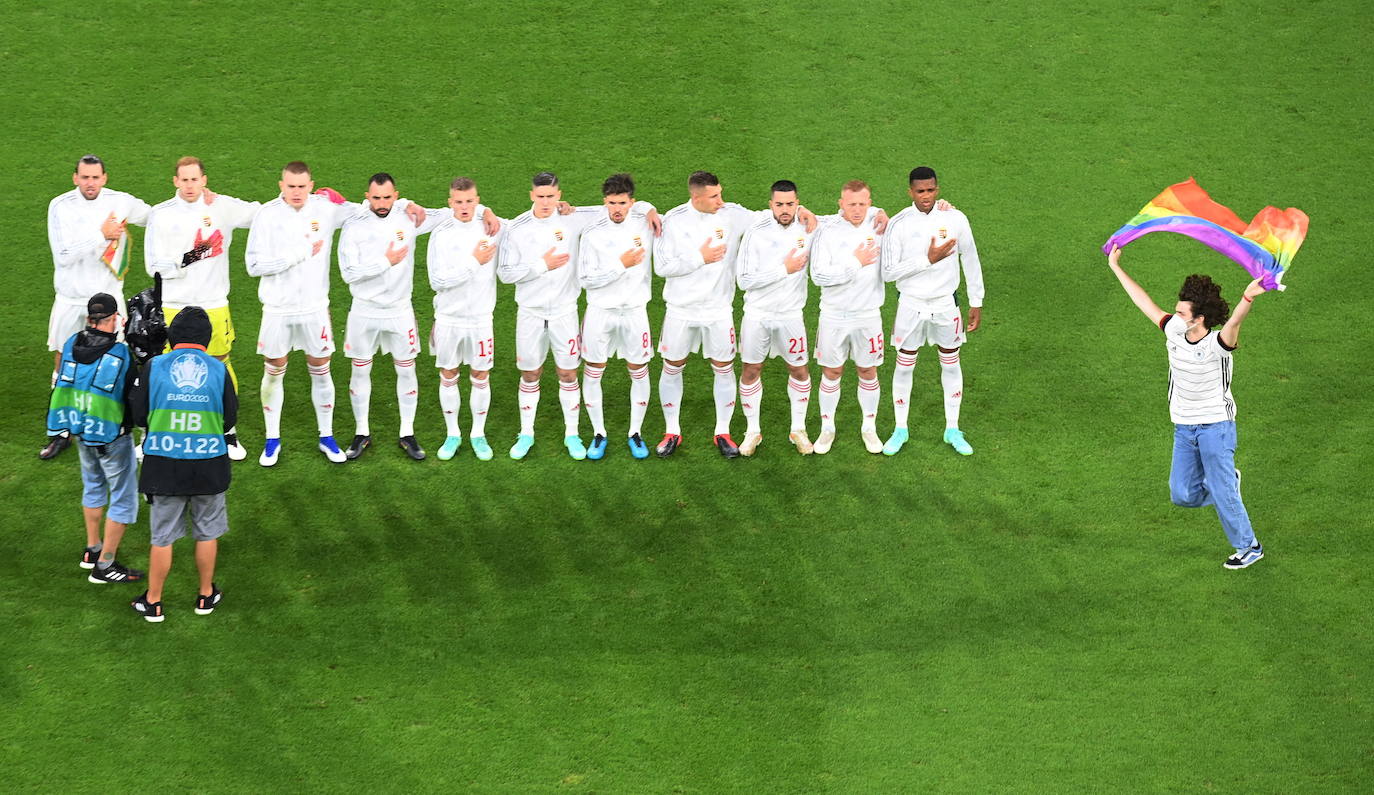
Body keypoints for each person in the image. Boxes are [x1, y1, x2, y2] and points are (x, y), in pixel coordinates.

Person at [245, 161, 421, 466]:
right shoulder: (267, 215)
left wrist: (405, 203)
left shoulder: (327, 209)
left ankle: (326, 437)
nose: (296, 192)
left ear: (312, 185)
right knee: (274, 369)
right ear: (281, 185)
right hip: (277, 308)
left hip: (315, 308)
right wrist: (297, 255)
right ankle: (272, 440)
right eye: (290, 186)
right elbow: (253, 266)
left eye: (302, 186)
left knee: (321, 368)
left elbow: (372, 207)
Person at [1107, 246, 1267, 569]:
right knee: (1182, 494)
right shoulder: (1173, 331)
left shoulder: (1217, 345)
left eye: (1181, 313)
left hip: (1216, 428)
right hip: (1184, 427)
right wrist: (1115, 266)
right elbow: (1143, 301)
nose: (1175, 316)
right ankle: (1227, 485)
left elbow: (1235, 322)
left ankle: (1249, 547)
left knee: (1222, 491)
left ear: (1200, 318)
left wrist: (1249, 296)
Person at [655, 172, 815, 458]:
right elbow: (662, 267)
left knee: (724, 367)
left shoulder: (731, 214)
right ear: (696, 197)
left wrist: (801, 209)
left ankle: (723, 431)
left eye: (721, 193)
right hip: (681, 309)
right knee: (673, 365)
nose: (721, 200)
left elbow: (772, 214)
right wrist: (699, 257)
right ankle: (672, 431)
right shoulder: (673, 220)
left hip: (718, 310)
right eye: (714, 196)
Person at [498, 172, 656, 460]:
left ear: (560, 195)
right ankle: (526, 433)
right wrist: (540, 265)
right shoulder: (517, 227)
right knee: (530, 373)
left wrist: (649, 208)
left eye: (551, 196)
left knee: (569, 373)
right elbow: (505, 273)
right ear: (532, 195)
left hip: (565, 312)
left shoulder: (576, 217)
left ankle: (574, 434)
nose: (546, 202)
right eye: (540, 196)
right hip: (530, 313)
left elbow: (628, 206)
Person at [145, 156, 260, 461]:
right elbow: (152, 266)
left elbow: (262, 214)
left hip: (213, 303)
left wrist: (315, 202)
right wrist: (192, 256)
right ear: (175, 181)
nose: (190, 185)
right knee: (166, 366)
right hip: (173, 304)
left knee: (220, 362)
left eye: (195, 179)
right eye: (184, 180)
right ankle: (157, 430)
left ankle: (227, 431)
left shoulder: (221, 206)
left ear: (204, 180)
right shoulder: (161, 214)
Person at [128, 307, 237, 622]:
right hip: (209, 463)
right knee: (207, 533)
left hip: (163, 464)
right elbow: (229, 419)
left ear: (172, 336)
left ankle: (154, 601)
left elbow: (138, 415)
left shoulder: (154, 366)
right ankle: (205, 595)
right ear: (207, 339)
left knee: (162, 536)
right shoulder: (218, 370)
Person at [43, 155, 151, 460]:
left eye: (95, 177)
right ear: (75, 178)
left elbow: (155, 216)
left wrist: (199, 203)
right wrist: (100, 235)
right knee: (63, 361)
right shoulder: (60, 206)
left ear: (105, 178)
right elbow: (63, 254)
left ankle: (112, 425)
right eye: (84, 177)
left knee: (115, 363)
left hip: (106, 302)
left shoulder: (121, 201)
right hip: (71, 299)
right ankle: (60, 432)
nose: (90, 183)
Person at [338, 173, 453, 461]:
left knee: (406, 369)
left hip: (399, 310)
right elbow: (348, 273)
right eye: (376, 197)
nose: (381, 203)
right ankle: (361, 432)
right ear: (367, 196)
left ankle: (407, 433)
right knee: (360, 370)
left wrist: (485, 211)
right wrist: (384, 262)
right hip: (364, 310)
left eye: (387, 197)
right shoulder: (354, 226)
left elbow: (451, 213)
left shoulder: (408, 216)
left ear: (396, 194)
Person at [880, 166, 984, 457]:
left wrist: (977, 300)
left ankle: (953, 429)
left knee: (950, 363)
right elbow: (888, 272)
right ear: (911, 191)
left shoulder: (955, 218)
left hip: (945, 304)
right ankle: (900, 429)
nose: (926, 196)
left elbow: (971, 258)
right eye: (920, 191)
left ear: (937, 188)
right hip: (910, 304)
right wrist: (928, 260)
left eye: (931, 190)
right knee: (904, 365)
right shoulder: (898, 224)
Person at [46, 293, 144, 583]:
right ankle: (106, 564)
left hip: (80, 431)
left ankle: (92, 548)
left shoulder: (70, 343)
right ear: (114, 319)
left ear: (90, 318)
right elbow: (134, 398)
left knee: (92, 486)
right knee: (124, 499)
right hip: (112, 437)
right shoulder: (120, 354)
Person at [576, 173, 658, 459]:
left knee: (638, 370)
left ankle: (635, 433)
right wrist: (619, 265)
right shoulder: (593, 232)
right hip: (601, 312)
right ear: (604, 203)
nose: (617, 209)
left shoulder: (644, 223)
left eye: (622, 203)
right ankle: (599, 433)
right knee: (594, 370)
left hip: (635, 312)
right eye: (611, 203)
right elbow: (585, 278)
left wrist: (648, 208)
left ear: (631, 202)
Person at [735, 180, 817, 456]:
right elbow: (744, 280)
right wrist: (785, 269)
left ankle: (798, 429)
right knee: (750, 371)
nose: (785, 210)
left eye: (790, 204)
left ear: (797, 203)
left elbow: (847, 216)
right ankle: (752, 431)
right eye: (779, 204)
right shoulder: (755, 232)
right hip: (757, 315)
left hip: (791, 315)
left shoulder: (808, 228)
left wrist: (879, 212)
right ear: (770, 204)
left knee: (799, 370)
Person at [427, 177, 503, 461]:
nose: (464, 207)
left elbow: (529, 220)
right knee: (449, 374)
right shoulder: (442, 233)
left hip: (481, 319)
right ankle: (452, 434)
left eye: (470, 201)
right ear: (450, 203)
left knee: (480, 376)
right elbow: (437, 280)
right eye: (458, 202)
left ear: (477, 200)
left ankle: (478, 434)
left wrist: (488, 212)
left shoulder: (492, 227)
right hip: (448, 318)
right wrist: (474, 262)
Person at [809, 180, 888, 454]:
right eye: (851, 204)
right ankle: (827, 428)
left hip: (868, 315)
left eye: (863, 204)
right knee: (832, 372)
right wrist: (856, 262)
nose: (857, 209)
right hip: (833, 316)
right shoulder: (826, 232)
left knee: (868, 370)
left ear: (870, 203)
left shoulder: (879, 227)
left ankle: (869, 427)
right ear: (840, 203)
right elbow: (818, 276)